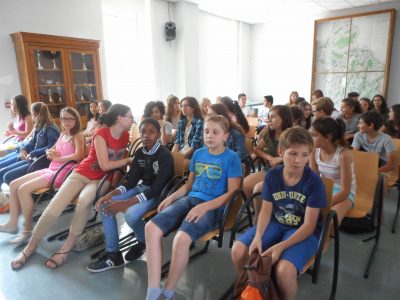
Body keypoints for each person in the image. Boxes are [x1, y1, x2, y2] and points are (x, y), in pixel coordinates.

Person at [10, 104, 133, 270]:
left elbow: (117, 162)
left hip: (101, 180)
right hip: (82, 172)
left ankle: (65, 249)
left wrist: (116, 181)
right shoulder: (101, 133)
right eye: (130, 116)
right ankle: (30, 247)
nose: (133, 120)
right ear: (119, 118)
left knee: (84, 202)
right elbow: (105, 164)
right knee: (55, 206)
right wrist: (127, 161)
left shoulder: (125, 135)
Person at [145, 115, 242, 300]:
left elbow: (232, 193)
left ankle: (169, 292)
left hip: (214, 207)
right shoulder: (198, 154)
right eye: (206, 131)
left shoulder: (232, 158)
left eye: (215, 132)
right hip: (190, 199)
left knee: (181, 239)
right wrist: (172, 197)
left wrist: (205, 207)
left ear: (225, 136)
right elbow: (189, 186)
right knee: (151, 228)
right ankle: (153, 291)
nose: (210, 135)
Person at [231, 127, 327, 300]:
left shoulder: (314, 182)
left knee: (283, 270)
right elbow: (265, 211)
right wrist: (258, 235)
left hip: (304, 232)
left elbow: (309, 226)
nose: (298, 160)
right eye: (293, 153)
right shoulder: (272, 176)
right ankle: (250, 285)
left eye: (304, 155)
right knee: (238, 250)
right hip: (276, 223)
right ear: (281, 152)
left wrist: (281, 246)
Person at [87, 118, 173, 272]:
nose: (146, 135)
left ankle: (143, 241)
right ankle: (113, 255)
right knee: (106, 204)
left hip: (158, 194)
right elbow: (131, 180)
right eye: (143, 132)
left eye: (151, 132)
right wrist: (111, 194)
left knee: (131, 215)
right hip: (141, 188)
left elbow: (157, 188)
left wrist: (126, 203)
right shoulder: (140, 152)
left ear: (159, 134)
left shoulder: (164, 155)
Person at [0, 107, 85, 244]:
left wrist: (58, 158)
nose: (67, 122)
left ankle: (27, 230)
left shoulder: (77, 135)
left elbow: (79, 156)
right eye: (64, 119)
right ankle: (12, 223)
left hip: (62, 172)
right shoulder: (63, 134)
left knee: (23, 189)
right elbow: (54, 149)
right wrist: (50, 152)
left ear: (76, 120)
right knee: (14, 184)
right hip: (52, 168)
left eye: (71, 119)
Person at [243, 105, 293, 220]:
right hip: (270, 170)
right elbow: (257, 149)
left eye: (273, 117)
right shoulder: (269, 132)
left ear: (284, 118)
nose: (269, 120)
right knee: (244, 186)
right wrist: (270, 158)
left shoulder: (292, 134)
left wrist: (281, 159)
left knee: (258, 188)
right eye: (269, 117)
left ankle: (261, 220)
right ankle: (263, 213)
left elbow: (297, 155)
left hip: (287, 172)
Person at [0, 102, 60, 193]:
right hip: (31, 159)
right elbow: (31, 141)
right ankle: (6, 198)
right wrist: (23, 149)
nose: (31, 116)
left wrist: (33, 153)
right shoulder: (39, 125)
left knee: (7, 176)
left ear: (35, 114)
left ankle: (20, 194)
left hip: (41, 162)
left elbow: (51, 148)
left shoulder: (51, 128)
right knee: (2, 172)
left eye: (32, 114)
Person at [310, 117, 356, 224]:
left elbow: (345, 191)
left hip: (345, 194)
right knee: (303, 213)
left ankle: (324, 240)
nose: (311, 138)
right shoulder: (314, 151)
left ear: (328, 137)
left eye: (314, 135)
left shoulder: (343, 155)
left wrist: (324, 203)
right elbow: (314, 179)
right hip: (325, 188)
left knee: (330, 222)